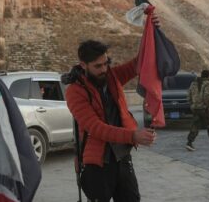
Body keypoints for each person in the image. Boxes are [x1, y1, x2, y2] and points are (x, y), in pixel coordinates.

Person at [65, 40, 156, 202]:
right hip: (98, 164)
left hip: (122, 157)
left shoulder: (112, 76)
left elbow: (139, 62)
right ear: (83, 65)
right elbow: (96, 128)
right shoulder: (74, 91)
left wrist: (152, 27)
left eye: (106, 63)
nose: (104, 69)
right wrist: (133, 136)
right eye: (98, 66)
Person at [186, 70, 209, 151]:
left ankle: (189, 142)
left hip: (196, 108)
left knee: (195, 126)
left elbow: (188, 96)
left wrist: (192, 105)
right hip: (205, 109)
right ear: (208, 76)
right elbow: (207, 95)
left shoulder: (193, 83)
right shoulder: (208, 83)